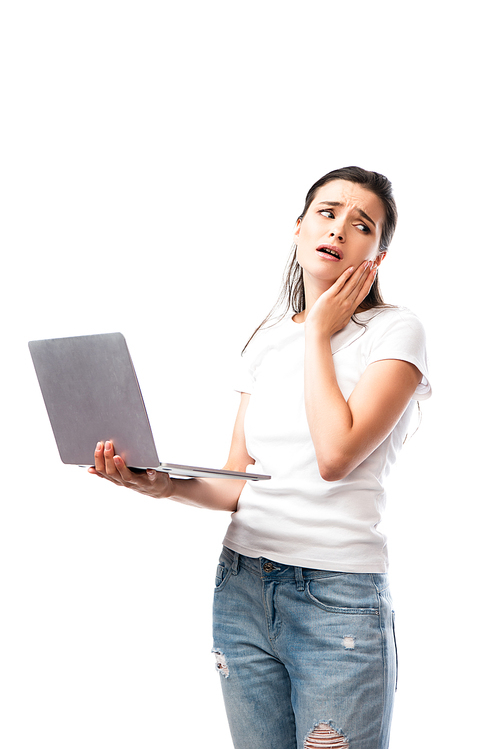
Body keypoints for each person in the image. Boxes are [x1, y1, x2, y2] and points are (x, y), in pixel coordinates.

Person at [90, 166, 431, 749]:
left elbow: (336, 455)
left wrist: (319, 334)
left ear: (376, 256)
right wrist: (159, 484)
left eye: (362, 225)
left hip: (338, 600)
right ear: (298, 229)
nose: (340, 229)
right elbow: (238, 481)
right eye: (327, 213)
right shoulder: (267, 339)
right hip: (242, 584)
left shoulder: (395, 332)